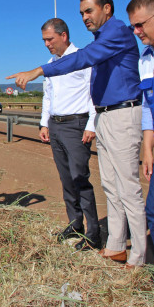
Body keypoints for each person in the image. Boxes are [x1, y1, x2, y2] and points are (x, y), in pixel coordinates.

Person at [7, 0, 146, 267]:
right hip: (107, 114)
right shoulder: (102, 39)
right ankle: (116, 245)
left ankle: (140, 256)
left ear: (107, 9)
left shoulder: (116, 32)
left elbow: (81, 60)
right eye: (82, 12)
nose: (84, 17)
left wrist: (38, 71)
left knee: (127, 187)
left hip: (121, 114)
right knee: (110, 185)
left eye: (89, 11)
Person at [38, 18, 100, 251]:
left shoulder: (83, 60)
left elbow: (94, 93)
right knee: (66, 179)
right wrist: (44, 124)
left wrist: (91, 124)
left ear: (64, 36)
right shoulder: (50, 63)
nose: (47, 44)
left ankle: (94, 234)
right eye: (44, 40)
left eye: (50, 39)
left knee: (79, 178)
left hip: (77, 125)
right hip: (55, 126)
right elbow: (48, 96)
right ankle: (75, 224)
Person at [127, 0, 154, 288]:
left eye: (140, 25)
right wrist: (148, 147)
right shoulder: (147, 59)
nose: (136, 32)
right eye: (133, 27)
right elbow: (150, 110)